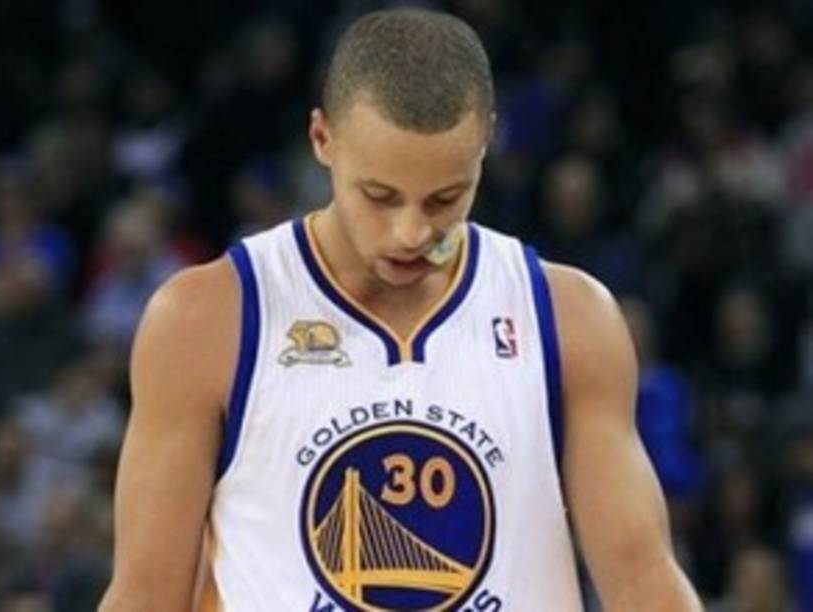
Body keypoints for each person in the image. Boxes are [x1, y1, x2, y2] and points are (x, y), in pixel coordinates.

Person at [99, 8, 701, 611]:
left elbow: (642, 576)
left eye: (445, 198)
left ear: (485, 143)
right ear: (321, 138)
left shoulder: (570, 318)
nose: (411, 232)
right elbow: (145, 596)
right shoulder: (207, 319)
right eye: (380, 196)